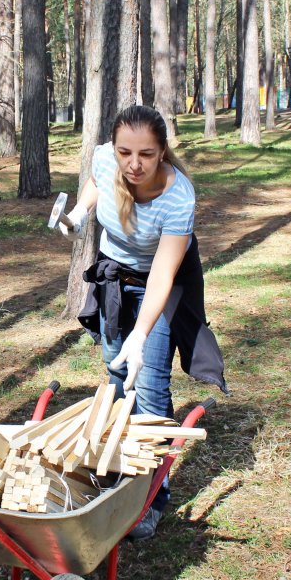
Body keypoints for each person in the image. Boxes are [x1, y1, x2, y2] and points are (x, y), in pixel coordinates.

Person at [53, 105, 227, 540]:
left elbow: (164, 276)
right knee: (116, 377)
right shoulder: (105, 158)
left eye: (145, 155)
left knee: (148, 386)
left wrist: (142, 333)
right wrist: (79, 215)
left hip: (160, 284)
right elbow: (95, 181)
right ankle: (114, 473)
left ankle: (151, 498)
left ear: (162, 152)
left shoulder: (178, 196)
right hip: (116, 272)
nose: (133, 164)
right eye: (125, 152)